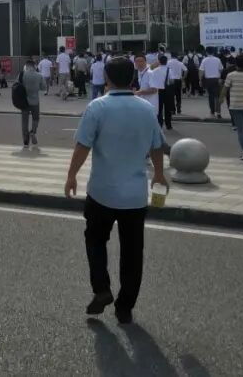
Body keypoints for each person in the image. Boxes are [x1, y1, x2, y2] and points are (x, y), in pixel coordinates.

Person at [64, 56, 169, 325]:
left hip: (102, 191)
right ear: (133, 77)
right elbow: (157, 145)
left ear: (107, 78)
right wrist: (159, 173)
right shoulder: (146, 109)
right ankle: (125, 307)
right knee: (133, 252)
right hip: (135, 195)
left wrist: (71, 176)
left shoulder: (97, 107)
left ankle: (101, 288)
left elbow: (83, 145)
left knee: (95, 240)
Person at [18, 59, 45, 147]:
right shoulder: (39, 75)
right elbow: (43, 88)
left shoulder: (22, 75)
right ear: (34, 66)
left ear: (26, 66)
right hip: (35, 101)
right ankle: (33, 132)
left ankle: (25, 141)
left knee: (24, 121)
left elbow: (16, 86)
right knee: (36, 118)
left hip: (24, 101)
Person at [198, 51, 224, 118]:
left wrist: (200, 80)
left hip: (208, 80)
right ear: (213, 52)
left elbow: (201, 71)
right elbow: (221, 69)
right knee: (217, 96)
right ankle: (218, 113)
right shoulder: (218, 59)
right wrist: (220, 77)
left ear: (207, 52)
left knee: (210, 96)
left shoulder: (204, 60)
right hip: (217, 80)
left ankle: (212, 112)